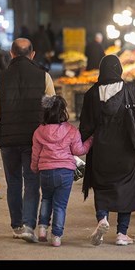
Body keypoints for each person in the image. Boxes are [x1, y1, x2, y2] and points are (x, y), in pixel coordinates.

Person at [0, 38, 56, 243]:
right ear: (32, 55)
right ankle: (29, 226)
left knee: (13, 182)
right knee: (32, 183)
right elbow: (52, 109)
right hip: (34, 140)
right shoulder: (44, 77)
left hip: (9, 139)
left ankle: (17, 225)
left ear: (11, 54)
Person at [79, 54, 135, 246]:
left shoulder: (91, 94)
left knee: (102, 188)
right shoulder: (130, 90)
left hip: (101, 151)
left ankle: (102, 220)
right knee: (126, 189)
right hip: (126, 150)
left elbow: (85, 127)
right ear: (119, 70)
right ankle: (122, 234)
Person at [31, 95, 93, 247]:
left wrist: (34, 167)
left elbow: (35, 154)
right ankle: (56, 237)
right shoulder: (71, 131)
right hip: (65, 172)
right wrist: (90, 140)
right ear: (63, 112)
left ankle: (42, 229)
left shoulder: (39, 131)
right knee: (60, 205)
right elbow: (78, 150)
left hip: (45, 171)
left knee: (46, 199)